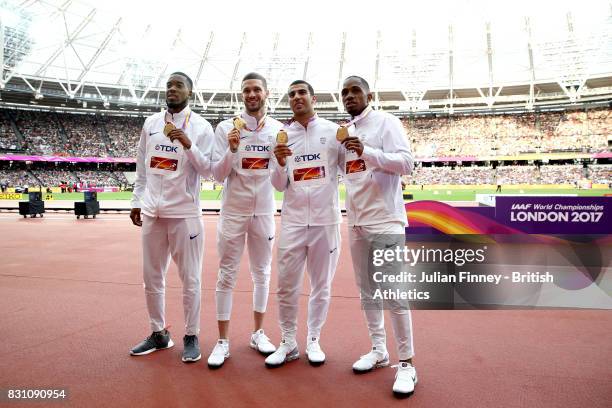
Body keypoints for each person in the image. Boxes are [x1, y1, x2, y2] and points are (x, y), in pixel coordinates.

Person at [339, 75, 417, 397]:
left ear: (369, 94)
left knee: (395, 294)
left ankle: (408, 364)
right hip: (356, 222)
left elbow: (408, 163)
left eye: (355, 90)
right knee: (367, 291)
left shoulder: (387, 122)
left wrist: (368, 152)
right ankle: (378, 349)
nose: (349, 96)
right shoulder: (343, 132)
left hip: (386, 221)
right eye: (344, 92)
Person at [129, 72, 214, 363]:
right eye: (169, 85)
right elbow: (142, 166)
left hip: (185, 215)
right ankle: (158, 333)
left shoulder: (202, 127)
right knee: (151, 277)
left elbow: (209, 172)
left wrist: (189, 144)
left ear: (191, 91)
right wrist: (137, 201)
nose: (172, 89)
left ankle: (191, 335)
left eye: (179, 85)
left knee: (190, 278)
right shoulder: (151, 123)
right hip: (153, 212)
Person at [264, 80, 342, 368]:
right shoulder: (283, 136)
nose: (296, 98)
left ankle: (313, 339)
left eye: (301, 93)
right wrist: (281, 163)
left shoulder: (334, 132)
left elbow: (351, 169)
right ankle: (287, 341)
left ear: (314, 98)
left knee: (321, 285)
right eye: (292, 95)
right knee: (286, 285)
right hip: (294, 222)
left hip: (326, 221)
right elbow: (278, 185)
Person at [206, 72, 281, 368]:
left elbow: (279, 182)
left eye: (257, 90)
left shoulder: (277, 130)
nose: (252, 94)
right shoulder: (225, 128)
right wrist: (231, 150)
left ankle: (258, 333)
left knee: (262, 272)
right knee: (227, 273)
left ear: (266, 93)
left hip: (263, 210)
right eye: (247, 90)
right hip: (233, 211)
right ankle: (222, 341)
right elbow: (217, 174)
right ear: (241, 95)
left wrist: (281, 161)